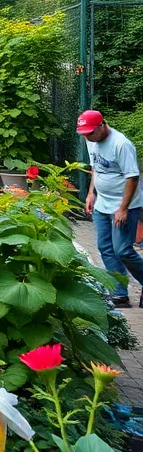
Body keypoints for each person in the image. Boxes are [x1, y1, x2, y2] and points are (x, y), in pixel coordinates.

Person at [77, 110, 143, 308]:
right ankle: (119, 293)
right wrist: (91, 193)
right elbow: (96, 168)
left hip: (125, 206)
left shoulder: (121, 144)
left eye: (90, 132)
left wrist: (123, 208)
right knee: (105, 248)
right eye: (84, 134)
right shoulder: (91, 140)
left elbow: (132, 177)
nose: (87, 137)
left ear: (102, 126)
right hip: (102, 204)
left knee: (122, 250)